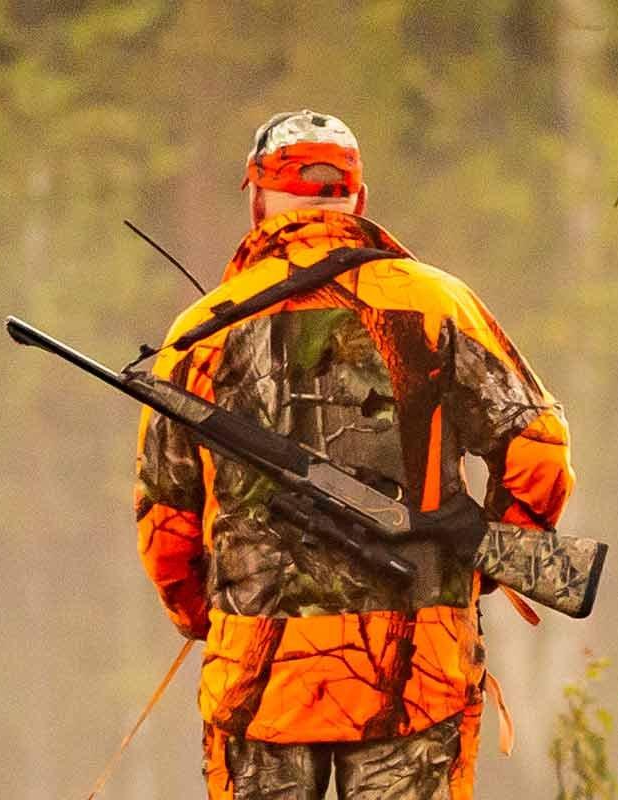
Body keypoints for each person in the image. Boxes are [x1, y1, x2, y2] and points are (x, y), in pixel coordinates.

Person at [132, 109, 577, 800]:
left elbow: (167, 523)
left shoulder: (201, 335)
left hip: (257, 686)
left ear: (256, 197)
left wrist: (208, 617)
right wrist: (475, 564)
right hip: (415, 678)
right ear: (359, 199)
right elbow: (540, 452)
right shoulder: (437, 305)